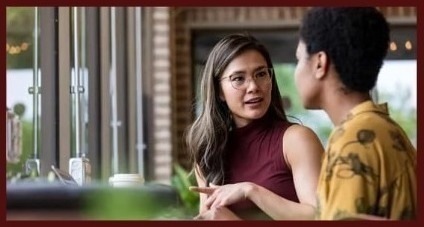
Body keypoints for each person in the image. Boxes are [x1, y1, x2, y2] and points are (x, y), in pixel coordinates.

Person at [294, 7, 417, 220]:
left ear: (319, 63)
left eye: (299, 59)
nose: (296, 71)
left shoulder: (355, 139)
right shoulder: (383, 128)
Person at [186, 34, 324, 220]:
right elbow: (211, 216)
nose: (253, 86)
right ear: (219, 91)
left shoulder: (296, 140)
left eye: (261, 74)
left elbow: (320, 216)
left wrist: (250, 190)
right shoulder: (208, 150)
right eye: (238, 78)